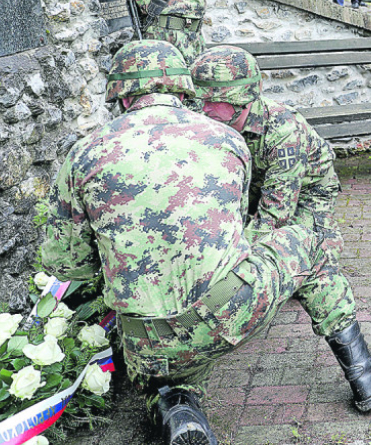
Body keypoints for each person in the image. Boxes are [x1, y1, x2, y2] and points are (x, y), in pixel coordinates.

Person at [40, 41, 307, 445]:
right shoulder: (228, 140)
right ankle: (363, 369)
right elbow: (240, 228)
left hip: (147, 336)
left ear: (121, 94)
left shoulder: (83, 154)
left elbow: (66, 265)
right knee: (312, 241)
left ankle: (176, 407)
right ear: (184, 90)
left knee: (158, 362)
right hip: (233, 311)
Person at [191, 45, 371, 414]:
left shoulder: (283, 130)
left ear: (239, 99)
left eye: (210, 100)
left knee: (308, 259)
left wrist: (235, 269)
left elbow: (275, 216)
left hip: (306, 196)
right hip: (252, 196)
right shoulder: (212, 125)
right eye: (199, 98)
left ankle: (363, 373)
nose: (202, 108)